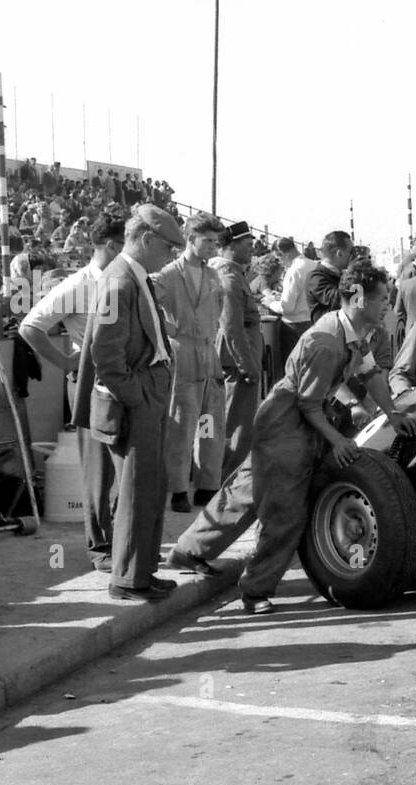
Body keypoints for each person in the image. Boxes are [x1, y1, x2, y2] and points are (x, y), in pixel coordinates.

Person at [167, 261, 416, 613]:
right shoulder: (329, 343)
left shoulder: (354, 333)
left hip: (294, 419)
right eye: (382, 300)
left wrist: (393, 413)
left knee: (246, 493)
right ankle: (255, 590)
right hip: (287, 425)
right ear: (359, 300)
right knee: (285, 512)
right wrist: (338, 441)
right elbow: (309, 405)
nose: (387, 307)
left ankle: (188, 550)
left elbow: (371, 373)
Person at [73, 206, 185, 601]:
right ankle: (127, 579)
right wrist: (138, 397)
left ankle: (142, 571)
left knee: (152, 486)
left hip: (149, 391)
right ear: (147, 240)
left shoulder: (133, 278)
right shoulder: (119, 282)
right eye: (169, 246)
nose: (172, 254)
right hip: (137, 398)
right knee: (137, 488)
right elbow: (106, 358)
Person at [19, 216, 125, 571]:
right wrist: (65, 363)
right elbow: (30, 326)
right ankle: (102, 547)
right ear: (111, 245)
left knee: (125, 467)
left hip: (123, 378)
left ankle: (125, 542)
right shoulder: (80, 284)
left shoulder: (124, 280)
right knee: (97, 470)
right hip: (91, 380)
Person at [154, 213, 226, 512]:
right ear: (191, 239)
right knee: (182, 427)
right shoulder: (169, 274)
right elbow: (149, 307)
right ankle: (178, 489)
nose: (213, 247)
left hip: (209, 353)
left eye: (216, 242)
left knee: (211, 424)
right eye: (207, 241)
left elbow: (219, 308)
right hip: (183, 354)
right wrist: (170, 330)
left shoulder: (212, 275)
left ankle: (208, 485)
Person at [212, 221, 263, 477]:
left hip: (236, 357)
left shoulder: (232, 273)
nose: (252, 248)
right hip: (237, 360)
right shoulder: (229, 277)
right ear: (230, 246)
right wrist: (248, 366)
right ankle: (228, 477)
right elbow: (232, 327)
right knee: (236, 424)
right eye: (247, 243)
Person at [259, 237, 315, 360]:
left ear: (282, 254)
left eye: (279, 259)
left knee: (294, 365)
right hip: (313, 322)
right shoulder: (314, 265)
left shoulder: (294, 270)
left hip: (294, 327)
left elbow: (287, 307)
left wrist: (270, 303)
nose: (281, 263)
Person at [307, 230, 354, 319]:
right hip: (329, 331)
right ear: (339, 253)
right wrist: (355, 271)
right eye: (351, 252)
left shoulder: (340, 275)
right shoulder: (316, 278)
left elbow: (358, 302)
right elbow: (341, 300)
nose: (352, 256)